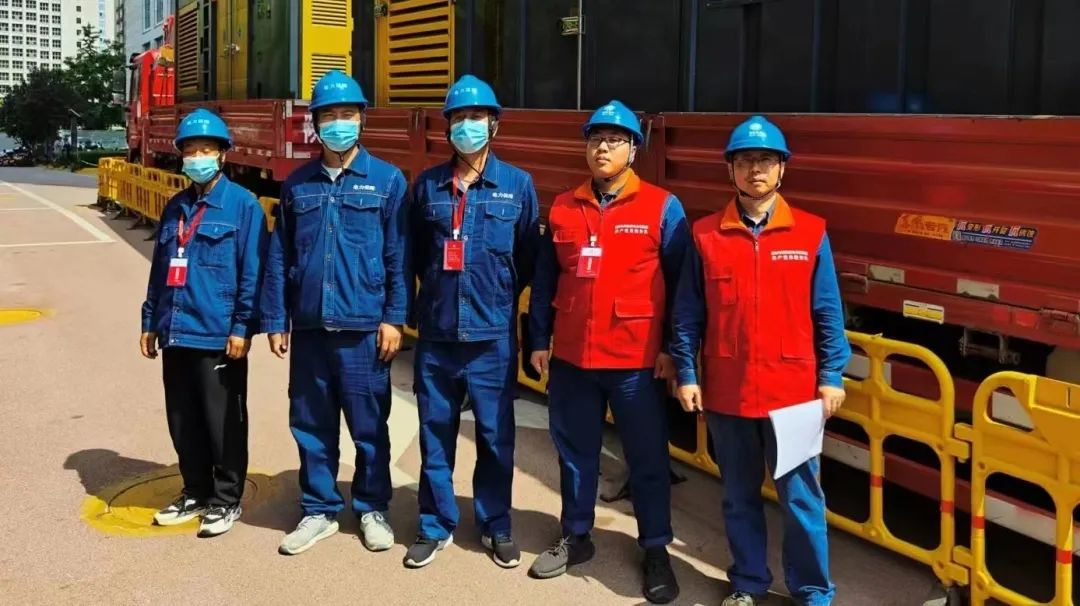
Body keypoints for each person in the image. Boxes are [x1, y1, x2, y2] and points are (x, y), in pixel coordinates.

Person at [670, 115, 851, 606]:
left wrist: (832, 375)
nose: (756, 170)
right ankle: (747, 582)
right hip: (728, 391)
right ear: (730, 169)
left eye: (766, 161)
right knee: (738, 496)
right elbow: (687, 313)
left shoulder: (810, 232)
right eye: (745, 161)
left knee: (802, 500)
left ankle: (813, 592)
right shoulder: (705, 235)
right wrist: (687, 372)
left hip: (794, 392)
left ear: (782, 169)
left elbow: (828, 311)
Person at [527, 100, 689, 604]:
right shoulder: (563, 206)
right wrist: (538, 340)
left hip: (635, 362)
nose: (603, 147)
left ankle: (656, 549)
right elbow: (546, 280)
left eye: (615, 140)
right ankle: (576, 536)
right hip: (574, 358)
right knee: (576, 456)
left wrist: (673, 351)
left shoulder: (662, 207)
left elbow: (682, 288)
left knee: (647, 459)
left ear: (633, 150)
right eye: (595, 138)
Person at [261, 70, 410, 556]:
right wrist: (276, 318)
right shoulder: (297, 184)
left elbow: (398, 256)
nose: (339, 123)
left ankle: (371, 507)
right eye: (329, 116)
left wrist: (394, 318)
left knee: (369, 428)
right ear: (315, 124)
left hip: (364, 330)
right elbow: (280, 255)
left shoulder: (387, 180)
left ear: (362, 120)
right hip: (309, 329)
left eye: (347, 114)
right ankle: (319, 509)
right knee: (310, 424)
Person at [403, 74, 540, 569]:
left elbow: (528, 258)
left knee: (495, 437)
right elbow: (415, 254)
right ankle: (434, 524)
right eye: (458, 118)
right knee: (434, 432)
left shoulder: (518, 186)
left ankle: (495, 523)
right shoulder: (427, 188)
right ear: (447, 128)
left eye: (476, 117)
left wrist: (496, 297)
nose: (467, 126)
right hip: (438, 336)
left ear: (494, 124)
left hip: (491, 339)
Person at [140, 107, 267, 538]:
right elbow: (161, 268)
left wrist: (242, 327)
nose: (197, 157)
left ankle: (226, 499)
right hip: (175, 330)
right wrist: (150, 319)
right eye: (190, 150)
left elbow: (252, 272)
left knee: (222, 421)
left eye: (206, 149)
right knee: (183, 418)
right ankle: (194, 490)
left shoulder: (243, 206)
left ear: (223, 154)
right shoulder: (176, 207)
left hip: (217, 334)